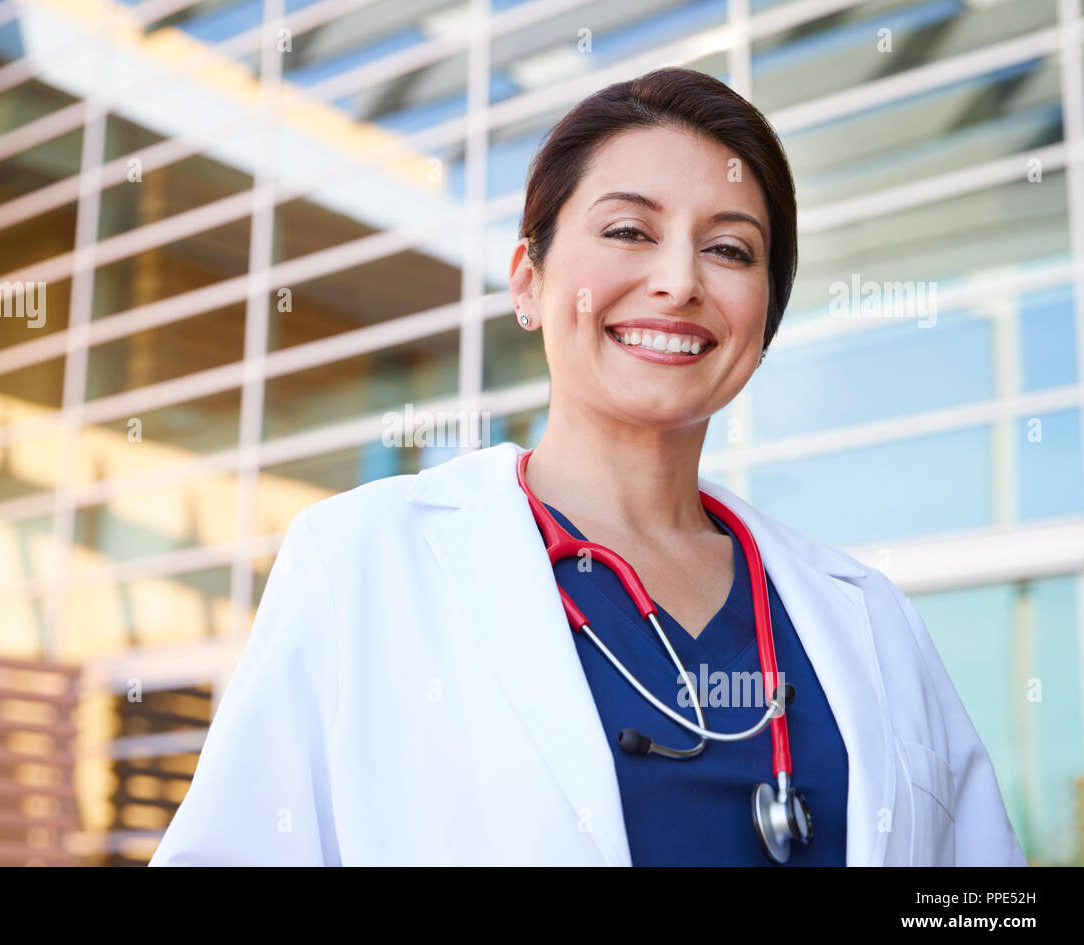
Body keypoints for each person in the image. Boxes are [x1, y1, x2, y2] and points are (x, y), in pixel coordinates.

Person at [150, 67, 1026, 866]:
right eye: (627, 230)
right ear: (528, 281)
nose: (679, 281)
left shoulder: (869, 619)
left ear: (763, 319)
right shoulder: (361, 561)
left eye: (729, 249)